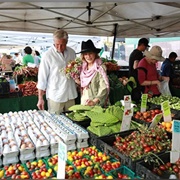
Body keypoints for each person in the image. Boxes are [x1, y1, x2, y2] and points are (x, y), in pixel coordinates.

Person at [36, 29, 78, 114]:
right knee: (56, 121)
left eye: (62, 45)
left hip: (71, 94)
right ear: (54, 42)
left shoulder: (72, 52)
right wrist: (40, 98)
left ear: (67, 42)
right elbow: (42, 78)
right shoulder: (47, 56)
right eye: (57, 44)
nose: (59, 48)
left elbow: (76, 71)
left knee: (73, 120)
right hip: (55, 96)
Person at [76, 39, 109, 107]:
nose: (88, 56)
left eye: (90, 53)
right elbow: (84, 84)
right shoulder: (83, 67)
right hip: (84, 101)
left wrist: (94, 101)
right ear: (83, 56)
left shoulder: (100, 68)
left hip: (96, 103)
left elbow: (104, 87)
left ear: (95, 53)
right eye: (85, 54)